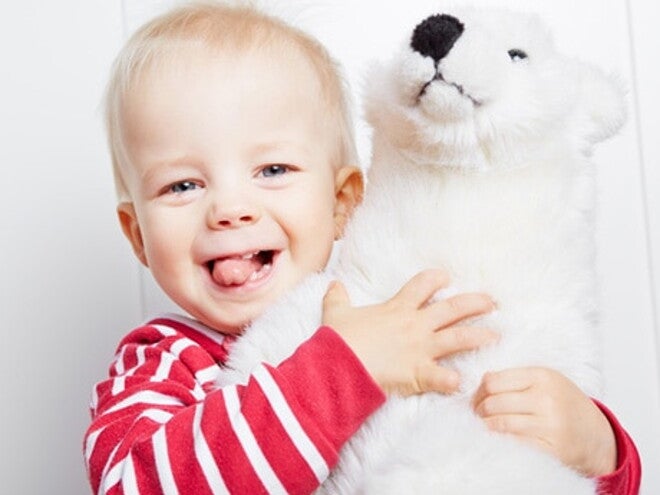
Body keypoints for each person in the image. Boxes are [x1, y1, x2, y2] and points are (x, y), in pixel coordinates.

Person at [84, 2, 640, 494]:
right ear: (137, 234)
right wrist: (343, 371)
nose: (230, 208)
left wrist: (600, 451)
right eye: (182, 185)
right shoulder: (161, 364)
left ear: (343, 200)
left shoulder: (397, 314)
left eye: (272, 169)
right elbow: (130, 484)